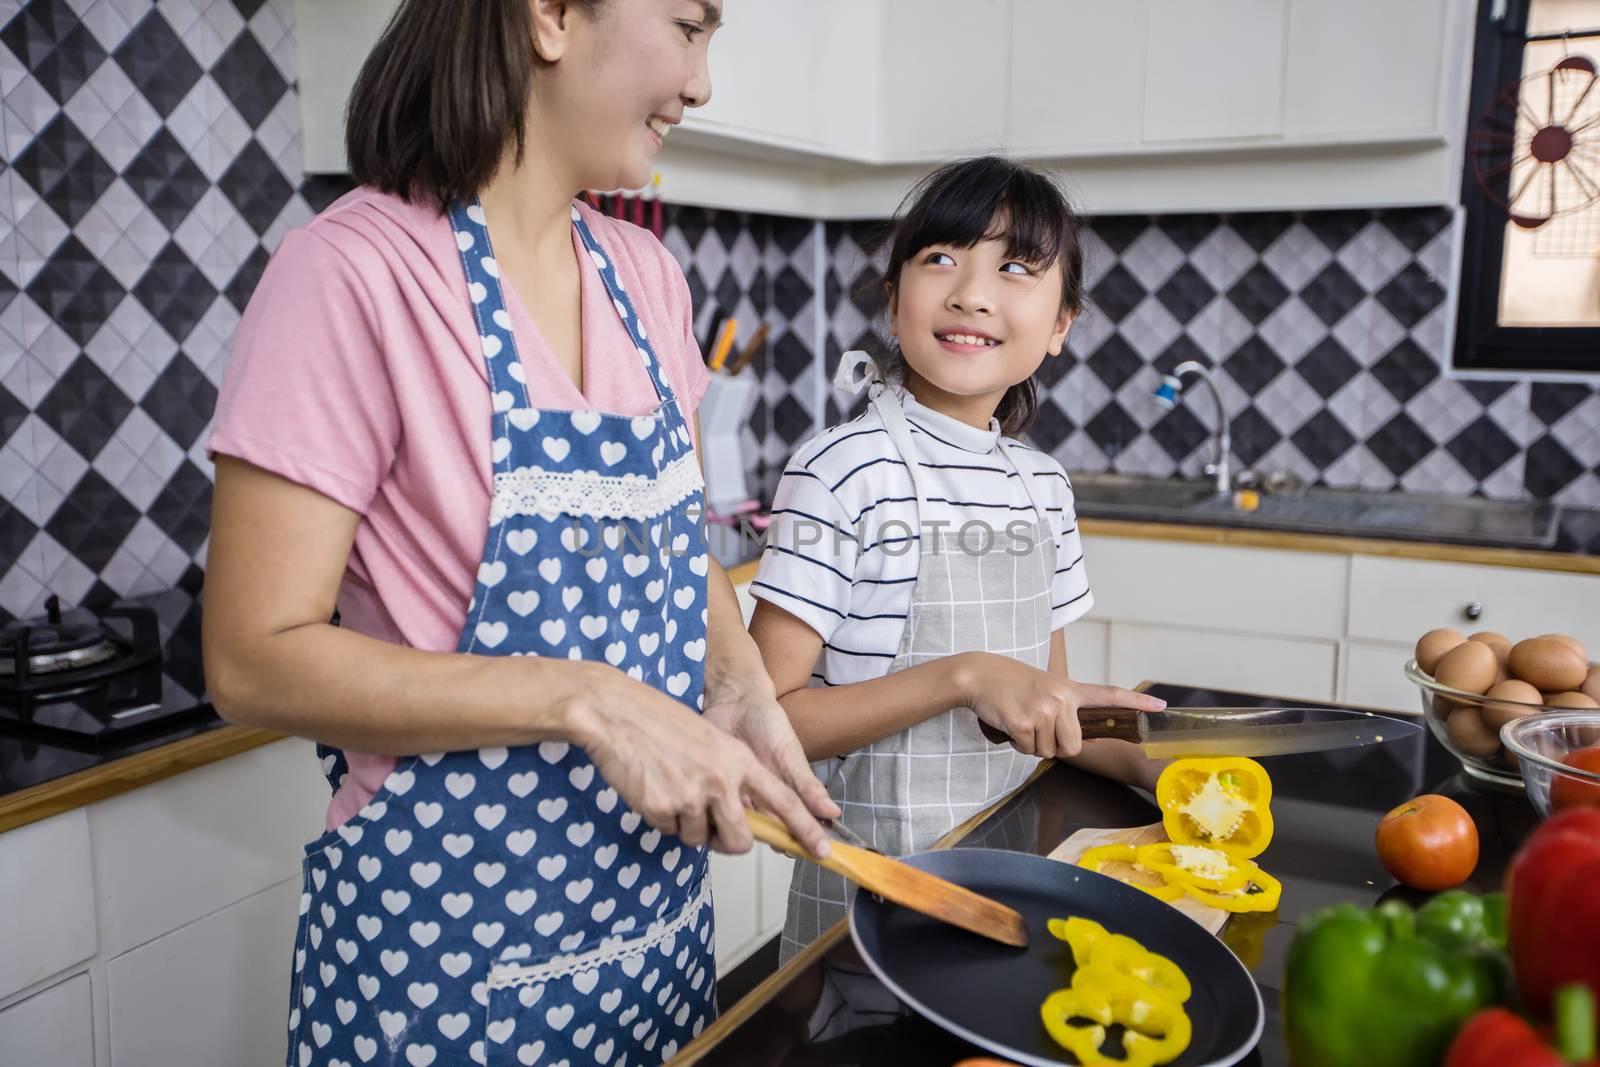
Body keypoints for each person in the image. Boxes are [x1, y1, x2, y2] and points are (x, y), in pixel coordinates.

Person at [202, 2, 836, 1064]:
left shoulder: (648, 281)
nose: (702, 82)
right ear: (547, 15)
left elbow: (678, 536)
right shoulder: (352, 274)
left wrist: (737, 682)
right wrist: (588, 698)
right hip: (444, 970)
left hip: (650, 942)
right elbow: (249, 659)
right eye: (687, 27)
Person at [747, 156, 1167, 962]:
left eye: (1014, 268)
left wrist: (1162, 769)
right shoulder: (840, 470)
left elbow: (1049, 712)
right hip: (870, 897)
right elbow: (769, 725)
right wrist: (963, 675)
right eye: (941, 257)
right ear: (894, 296)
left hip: (1009, 875)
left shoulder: (1043, 487)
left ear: (1060, 326)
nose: (971, 291)